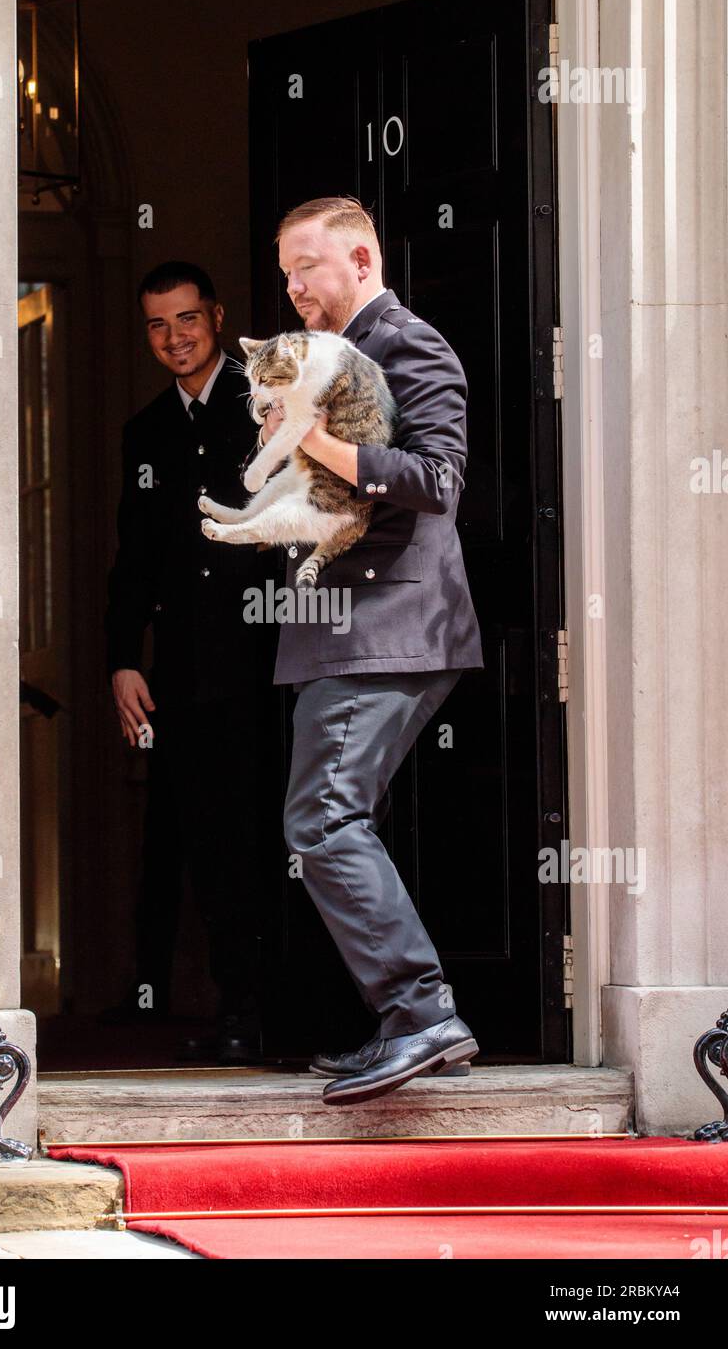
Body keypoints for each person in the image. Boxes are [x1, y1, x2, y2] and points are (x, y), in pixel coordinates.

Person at [262, 197, 484, 1105]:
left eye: (305, 267)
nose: (293, 287)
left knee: (320, 822)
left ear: (358, 257)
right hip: (347, 632)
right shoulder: (327, 356)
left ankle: (423, 1013)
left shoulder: (408, 343)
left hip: (387, 631)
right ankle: (403, 1020)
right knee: (338, 820)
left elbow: (436, 478)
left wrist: (308, 436)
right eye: (285, 272)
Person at [104, 261, 276, 1062]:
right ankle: (240, 1010)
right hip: (183, 670)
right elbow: (131, 559)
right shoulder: (146, 431)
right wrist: (121, 660)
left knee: (284, 835)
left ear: (215, 314)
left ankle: (305, 1011)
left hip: (274, 659)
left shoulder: (269, 400)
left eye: (186, 320)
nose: (174, 338)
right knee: (211, 843)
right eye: (156, 326)